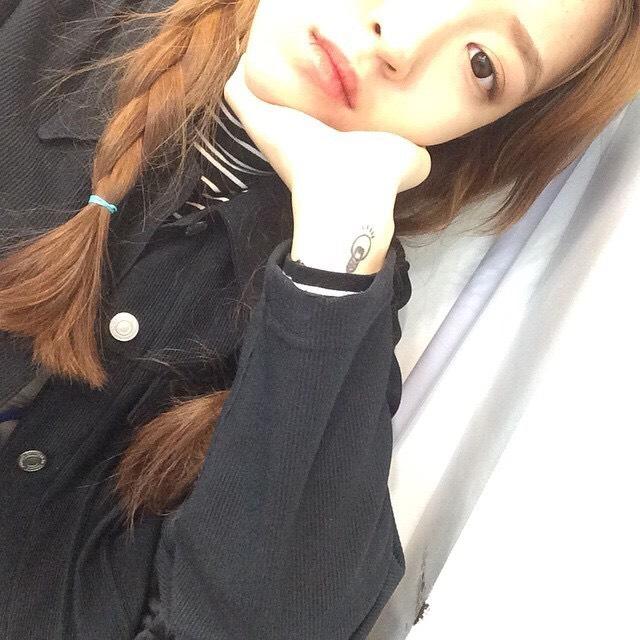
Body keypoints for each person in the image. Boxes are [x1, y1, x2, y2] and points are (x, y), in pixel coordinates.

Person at [0, 0, 637, 637]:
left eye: (481, 65)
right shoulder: (46, 28)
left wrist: (334, 258)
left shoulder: (340, 302)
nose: (402, 40)